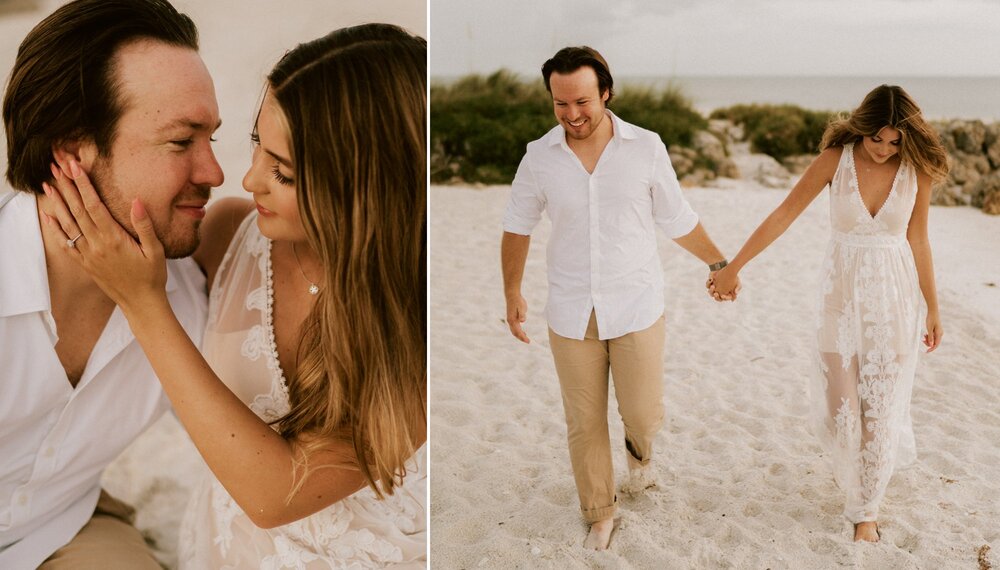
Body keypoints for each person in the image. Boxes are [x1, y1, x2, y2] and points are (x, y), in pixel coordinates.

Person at [45, 23, 427, 567]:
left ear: (366, 190)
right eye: (256, 146)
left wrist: (143, 303)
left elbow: (277, 497)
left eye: (285, 172)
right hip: (223, 539)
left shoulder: (419, 316)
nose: (247, 180)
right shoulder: (229, 235)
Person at [0, 1, 220, 568]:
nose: (213, 173)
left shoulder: (186, 299)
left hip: (65, 525)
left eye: (211, 139)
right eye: (181, 141)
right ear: (71, 153)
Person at [501, 46, 735, 550]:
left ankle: (641, 459)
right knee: (583, 422)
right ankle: (600, 512)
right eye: (561, 104)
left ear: (605, 92)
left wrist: (720, 264)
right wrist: (512, 292)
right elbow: (516, 227)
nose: (572, 115)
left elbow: (677, 219)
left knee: (642, 414)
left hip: (636, 305)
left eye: (582, 101)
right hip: (570, 312)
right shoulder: (538, 157)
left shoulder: (646, 147)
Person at [709, 85, 947, 542]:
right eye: (876, 139)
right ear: (862, 127)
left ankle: (865, 511)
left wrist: (934, 308)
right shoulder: (835, 161)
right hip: (838, 301)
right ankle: (858, 481)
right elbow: (783, 214)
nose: (884, 150)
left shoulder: (916, 172)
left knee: (880, 411)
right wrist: (734, 266)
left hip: (894, 302)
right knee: (843, 410)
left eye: (895, 142)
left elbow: (919, 240)